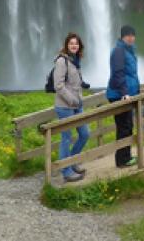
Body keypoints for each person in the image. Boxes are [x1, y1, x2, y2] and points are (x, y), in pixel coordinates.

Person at [54, 32, 90, 182]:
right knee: (66, 138)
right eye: (71, 43)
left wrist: (81, 93)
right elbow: (58, 85)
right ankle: (67, 171)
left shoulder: (75, 60)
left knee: (85, 134)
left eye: (76, 43)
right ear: (66, 45)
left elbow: (74, 82)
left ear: (79, 46)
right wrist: (72, 100)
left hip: (76, 105)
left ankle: (72, 161)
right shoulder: (62, 61)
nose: (74, 45)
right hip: (65, 106)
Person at [106, 25, 140, 167]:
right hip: (119, 95)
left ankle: (126, 157)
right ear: (122, 37)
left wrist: (136, 90)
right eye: (128, 35)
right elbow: (118, 73)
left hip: (127, 94)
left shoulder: (128, 50)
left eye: (133, 35)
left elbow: (130, 74)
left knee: (128, 125)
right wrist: (125, 93)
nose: (131, 38)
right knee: (124, 127)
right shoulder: (119, 51)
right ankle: (122, 160)